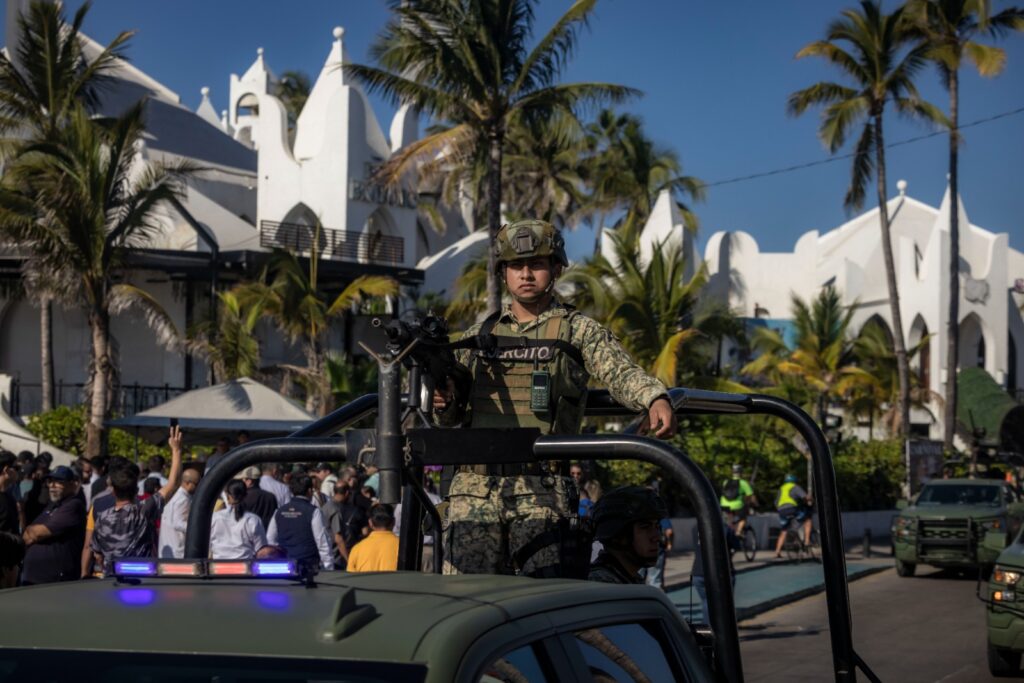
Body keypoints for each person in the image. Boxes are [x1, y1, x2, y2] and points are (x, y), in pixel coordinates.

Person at [434, 219, 677, 578]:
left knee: (542, 597)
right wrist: (443, 401)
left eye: (536, 264)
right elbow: (451, 416)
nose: (525, 274)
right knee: (466, 598)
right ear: (503, 273)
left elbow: (619, 371)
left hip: (541, 490)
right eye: (516, 265)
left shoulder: (577, 330)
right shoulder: (479, 335)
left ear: (557, 268)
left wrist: (654, 397)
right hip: (474, 491)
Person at [89, 427, 183, 576]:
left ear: (113, 491)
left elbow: (97, 555)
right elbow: (174, 483)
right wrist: (176, 450)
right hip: (143, 579)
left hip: (112, 581)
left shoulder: (102, 518)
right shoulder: (143, 511)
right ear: (136, 491)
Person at [21, 466, 86, 584]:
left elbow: (38, 533)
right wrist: (31, 531)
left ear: (72, 484)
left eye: (58, 482)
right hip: (33, 577)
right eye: (50, 481)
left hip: (53, 580)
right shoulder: (52, 506)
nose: (52, 485)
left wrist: (32, 530)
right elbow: (27, 534)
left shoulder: (73, 505)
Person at [588, 486, 666, 584]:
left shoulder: (629, 578)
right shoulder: (602, 584)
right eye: (645, 527)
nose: (657, 537)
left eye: (657, 526)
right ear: (619, 536)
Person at [266, 475, 333, 572]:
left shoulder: (279, 512)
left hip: (285, 567)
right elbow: (322, 543)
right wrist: (328, 568)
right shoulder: (314, 512)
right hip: (308, 567)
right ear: (309, 491)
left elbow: (270, 540)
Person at [210, 480, 267, 560]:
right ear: (245, 495)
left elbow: (207, 545)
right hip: (245, 565)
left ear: (227, 496)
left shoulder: (214, 518)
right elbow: (261, 549)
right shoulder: (253, 520)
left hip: (218, 565)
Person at [158, 466, 201, 558]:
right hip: (177, 550)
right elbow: (178, 523)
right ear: (187, 483)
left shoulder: (174, 495)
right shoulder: (182, 499)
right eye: (196, 484)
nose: (198, 487)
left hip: (167, 548)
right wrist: (197, 529)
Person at [347, 504, 399, 573]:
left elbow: (350, 577)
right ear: (394, 521)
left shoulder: (357, 549)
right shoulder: (403, 548)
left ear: (370, 523)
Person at [774, 473, 813, 558]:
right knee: (807, 519)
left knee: (784, 530)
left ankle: (777, 551)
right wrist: (810, 499)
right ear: (794, 480)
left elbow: (776, 502)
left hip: (781, 510)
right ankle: (807, 541)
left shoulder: (781, 488)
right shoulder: (795, 487)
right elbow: (805, 497)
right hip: (792, 508)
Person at [720, 464, 756, 538]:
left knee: (729, 520)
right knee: (743, 518)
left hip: (724, 504)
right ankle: (738, 532)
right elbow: (751, 496)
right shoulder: (743, 483)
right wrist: (755, 504)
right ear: (741, 472)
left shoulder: (726, 481)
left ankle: (730, 530)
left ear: (732, 472)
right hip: (737, 505)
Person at [644, 513, 674, 591]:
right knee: (655, 579)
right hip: (657, 551)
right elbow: (669, 531)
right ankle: (655, 595)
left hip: (641, 551)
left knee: (640, 578)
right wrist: (669, 544)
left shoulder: (640, 518)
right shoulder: (660, 517)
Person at [0, 452, 20, 535]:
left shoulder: (9, 497)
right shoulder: (4, 500)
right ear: (6, 470)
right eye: (17, 468)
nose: (19, 471)